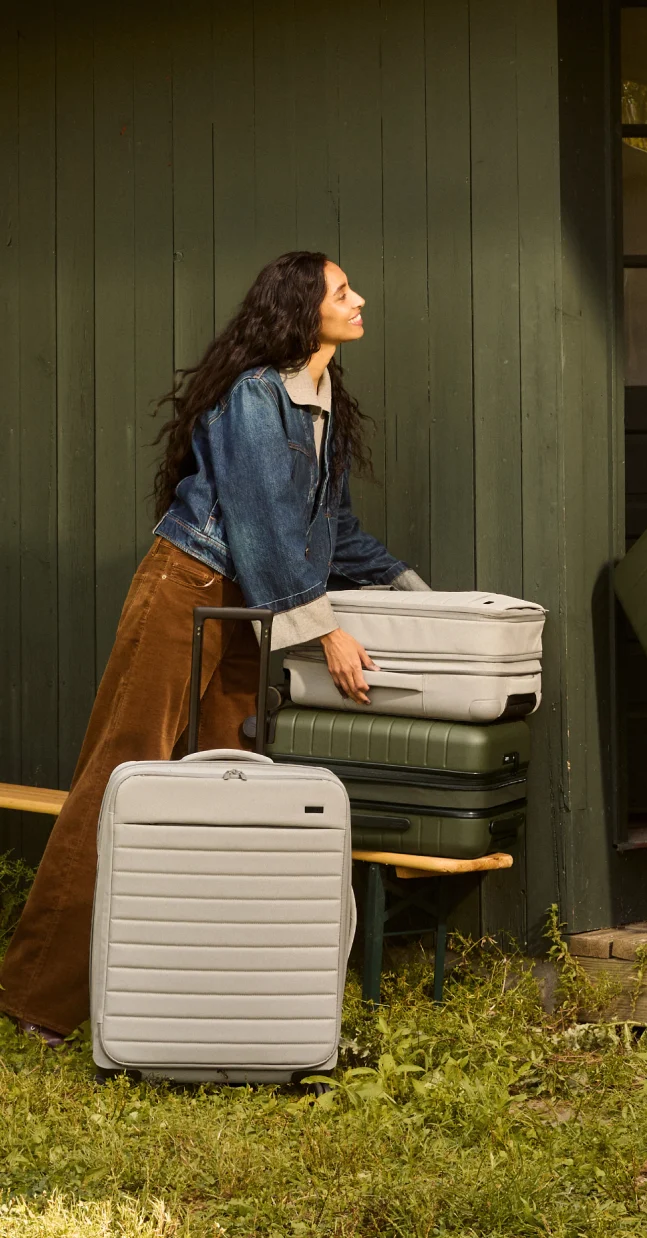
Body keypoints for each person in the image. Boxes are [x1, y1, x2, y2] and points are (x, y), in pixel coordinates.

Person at [0, 252, 426, 1045]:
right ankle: (36, 998)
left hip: (249, 614)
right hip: (189, 590)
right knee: (122, 775)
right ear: (303, 310)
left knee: (229, 788)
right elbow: (263, 522)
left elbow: (327, 532)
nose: (360, 299)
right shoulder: (253, 398)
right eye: (342, 292)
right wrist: (326, 629)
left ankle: (190, 988)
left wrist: (409, 585)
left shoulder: (324, 402)